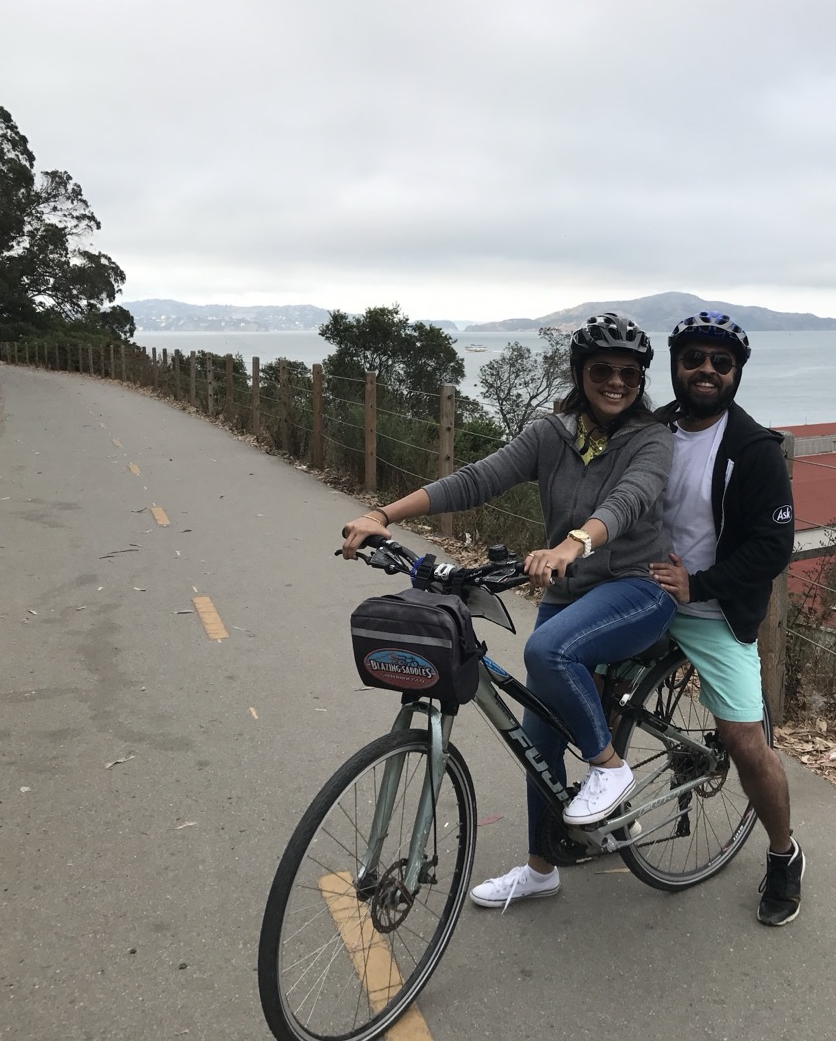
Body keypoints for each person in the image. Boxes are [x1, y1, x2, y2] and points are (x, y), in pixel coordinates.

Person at [341, 313, 676, 909]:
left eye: (630, 374)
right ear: (580, 373)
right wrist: (382, 515)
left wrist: (575, 543)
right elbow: (478, 479)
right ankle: (542, 869)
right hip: (571, 593)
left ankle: (608, 766)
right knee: (537, 737)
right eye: (603, 370)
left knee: (547, 651)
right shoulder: (553, 433)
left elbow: (630, 500)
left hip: (637, 587)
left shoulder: (651, 439)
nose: (617, 382)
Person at [648, 310, 804, 926]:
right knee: (582, 684)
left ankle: (783, 853)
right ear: (675, 366)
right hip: (646, 599)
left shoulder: (754, 450)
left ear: (736, 372)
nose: (707, 370)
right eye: (694, 359)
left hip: (715, 613)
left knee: (744, 741)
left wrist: (701, 584)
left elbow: (773, 548)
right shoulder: (651, 430)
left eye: (721, 362)